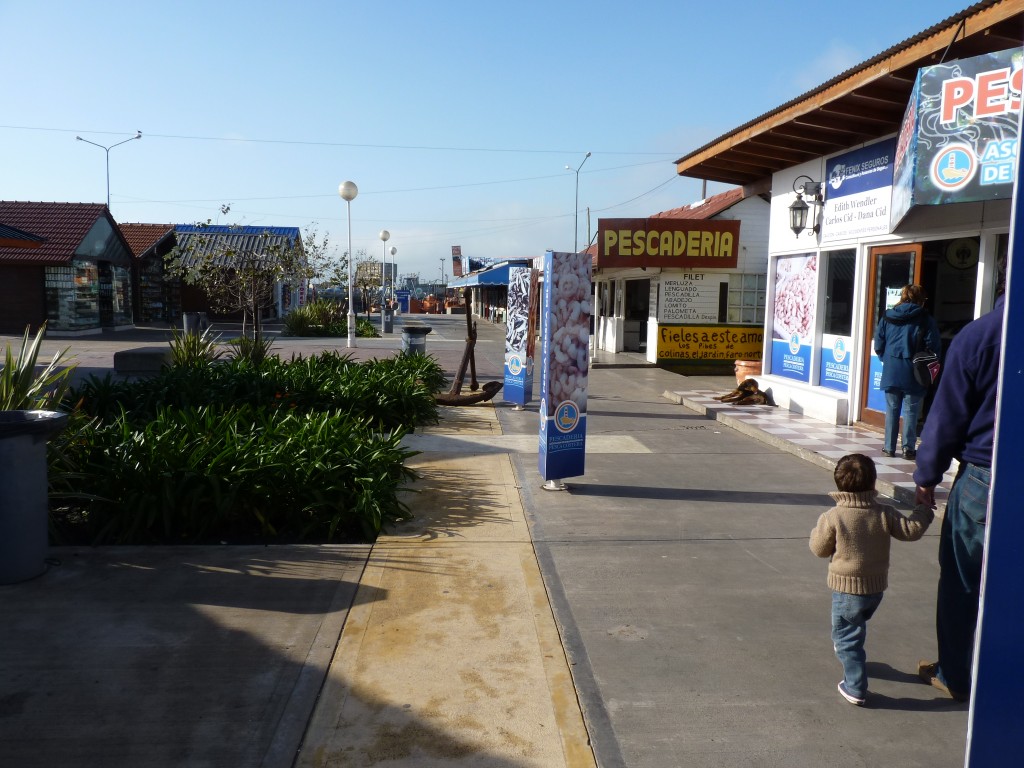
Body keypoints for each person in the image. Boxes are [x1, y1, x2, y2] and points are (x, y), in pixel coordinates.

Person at [914, 290, 1005, 703]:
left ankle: (955, 672)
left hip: (986, 479)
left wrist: (927, 477)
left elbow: (947, 415)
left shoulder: (980, 337)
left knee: (963, 581)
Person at [810, 453, 934, 706]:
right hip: (875, 589)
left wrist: (816, 531)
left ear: (838, 483)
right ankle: (849, 648)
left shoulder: (832, 517)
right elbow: (911, 531)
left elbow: (819, 549)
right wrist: (923, 509)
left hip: (846, 590)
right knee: (855, 623)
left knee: (847, 637)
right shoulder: (884, 513)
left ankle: (855, 686)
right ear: (873, 483)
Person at [874, 284, 942, 459]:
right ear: (920, 299)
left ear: (903, 297)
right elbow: (933, 345)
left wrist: (886, 359)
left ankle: (889, 448)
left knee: (892, 409)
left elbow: (878, 344)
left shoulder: (888, 316)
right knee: (911, 411)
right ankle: (908, 449)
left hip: (891, 369)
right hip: (914, 371)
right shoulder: (925, 318)